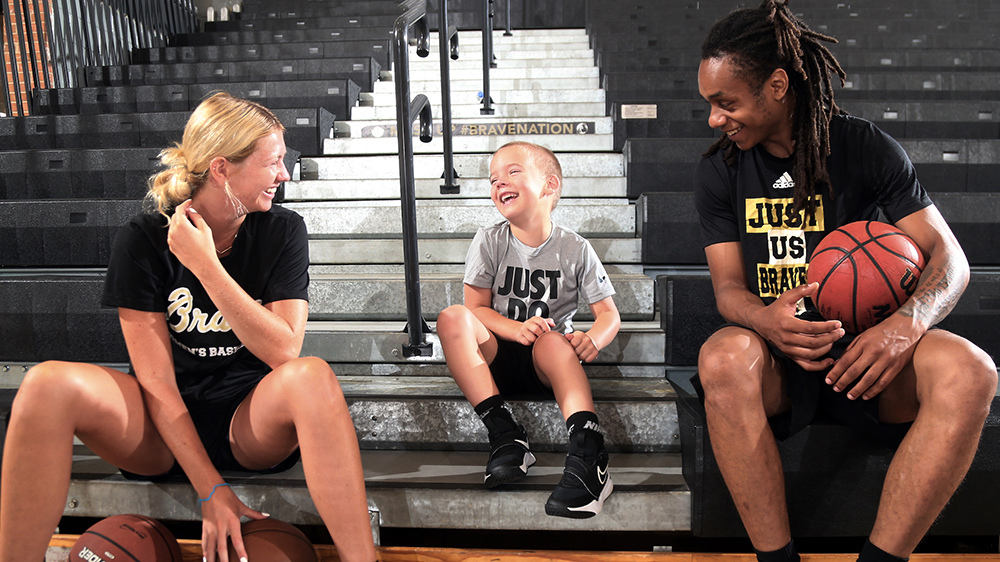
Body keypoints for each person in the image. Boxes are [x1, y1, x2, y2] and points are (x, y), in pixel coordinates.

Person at [0, 92, 378, 562]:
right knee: (45, 384)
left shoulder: (282, 230)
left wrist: (206, 267)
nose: (284, 174)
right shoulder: (143, 238)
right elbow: (156, 385)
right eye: (273, 162)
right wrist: (209, 490)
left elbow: (284, 352)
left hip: (247, 422)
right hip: (161, 428)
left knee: (312, 377)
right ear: (222, 169)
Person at [692, 1, 997, 561]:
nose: (714, 118)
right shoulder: (721, 171)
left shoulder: (864, 147)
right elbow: (729, 289)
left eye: (726, 102)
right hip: (779, 359)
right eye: (711, 104)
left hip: (873, 354)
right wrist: (766, 321)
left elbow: (950, 260)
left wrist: (907, 325)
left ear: (778, 85)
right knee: (722, 358)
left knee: (973, 372)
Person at [436, 141, 621, 518]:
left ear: (549, 186)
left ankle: (588, 453)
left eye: (512, 171)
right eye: (492, 178)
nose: (499, 182)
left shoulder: (575, 247)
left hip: (549, 365)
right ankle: (506, 435)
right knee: (452, 316)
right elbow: (476, 309)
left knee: (554, 340)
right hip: (495, 359)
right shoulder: (489, 240)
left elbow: (609, 315)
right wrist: (514, 328)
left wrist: (592, 339)